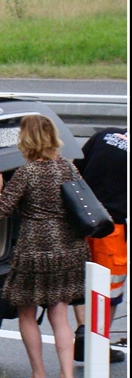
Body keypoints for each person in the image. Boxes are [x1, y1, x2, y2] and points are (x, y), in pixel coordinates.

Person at [0, 115, 88, 378]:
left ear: (26, 140)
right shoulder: (68, 167)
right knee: (59, 312)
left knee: (27, 312)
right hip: (68, 247)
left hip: (35, 248)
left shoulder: (26, 173)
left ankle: (38, 377)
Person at [71, 128, 127, 364]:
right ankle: (98, 344)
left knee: (82, 281)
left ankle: (84, 331)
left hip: (80, 220)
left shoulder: (104, 135)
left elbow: (76, 170)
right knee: (109, 290)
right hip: (111, 227)